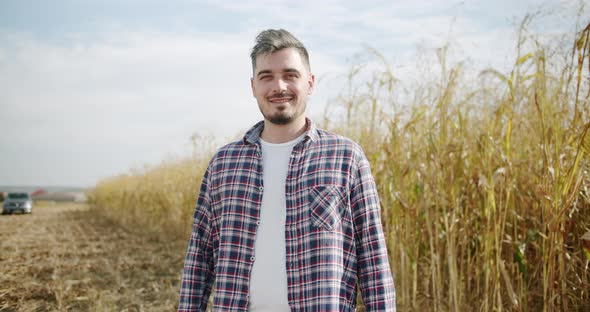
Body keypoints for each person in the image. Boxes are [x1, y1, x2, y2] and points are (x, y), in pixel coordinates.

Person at [178, 29, 396, 311]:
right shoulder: (224, 163)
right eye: (266, 76)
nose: (278, 86)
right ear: (253, 86)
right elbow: (199, 258)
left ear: (310, 82)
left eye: (290, 75)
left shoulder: (346, 158)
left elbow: (373, 260)